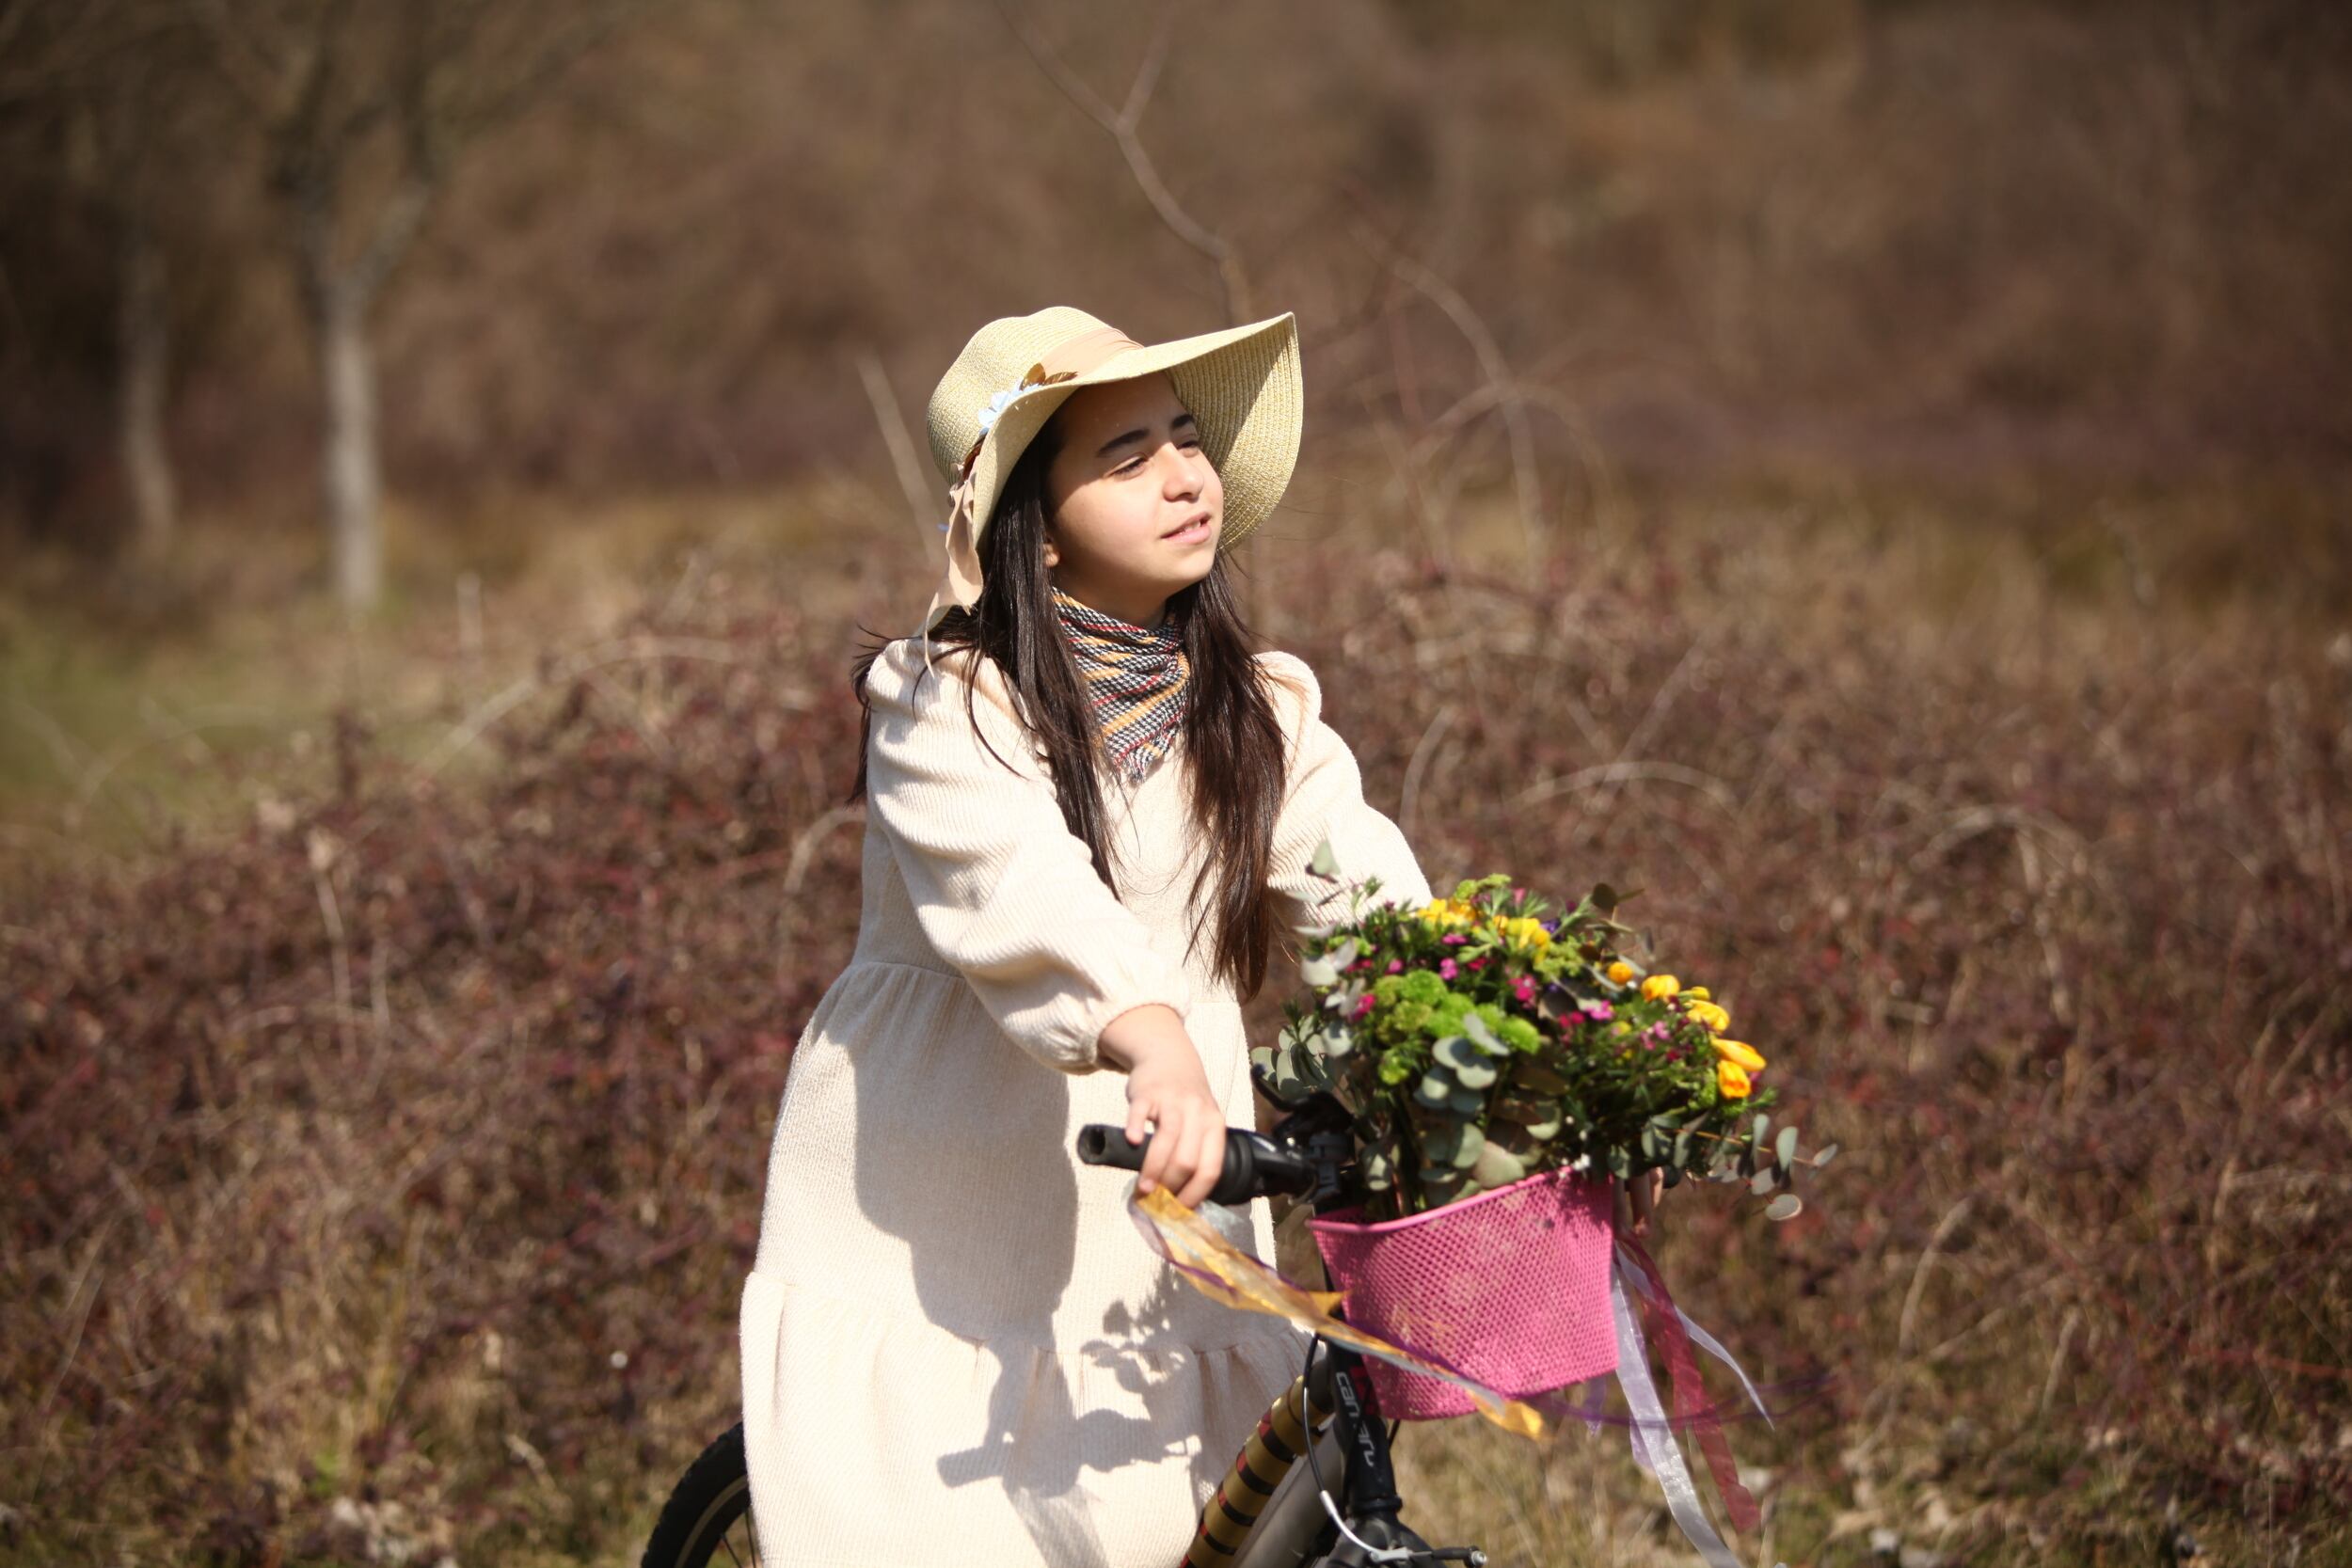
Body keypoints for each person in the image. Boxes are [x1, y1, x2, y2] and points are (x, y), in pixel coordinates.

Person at [736, 305, 1436, 1567]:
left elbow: (1370, 901)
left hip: (1163, 1193)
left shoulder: (1257, 710)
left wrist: (1514, 1060)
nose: (1182, 475)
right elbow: (1017, 884)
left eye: (1186, 439)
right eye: (1125, 457)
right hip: (948, 1190)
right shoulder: (948, 701)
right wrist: (1147, 1026)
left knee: (1185, 1517)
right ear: (1036, 531)